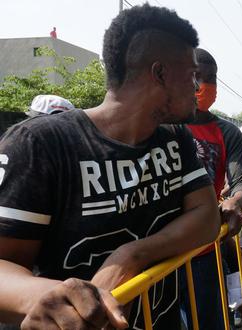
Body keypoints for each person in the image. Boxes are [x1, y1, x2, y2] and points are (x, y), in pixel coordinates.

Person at [0, 5, 220, 329]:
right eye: (191, 75)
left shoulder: (175, 139)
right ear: (159, 73)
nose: (197, 87)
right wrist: (53, 298)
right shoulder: (38, 145)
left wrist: (131, 255)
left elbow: (207, 216)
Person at [184, 48, 242, 330]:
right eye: (196, 76)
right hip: (158, 258)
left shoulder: (227, 132)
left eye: (211, 78)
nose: (204, 85)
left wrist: (236, 202)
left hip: (203, 252)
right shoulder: (158, 125)